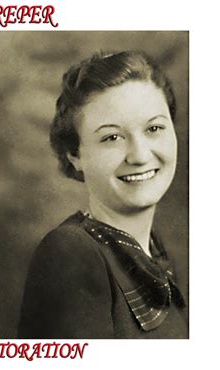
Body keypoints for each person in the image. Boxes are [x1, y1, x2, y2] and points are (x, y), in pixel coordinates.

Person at [18, 51, 188, 339]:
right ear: (75, 155)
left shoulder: (155, 253)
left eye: (154, 128)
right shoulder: (71, 253)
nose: (140, 155)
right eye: (112, 137)